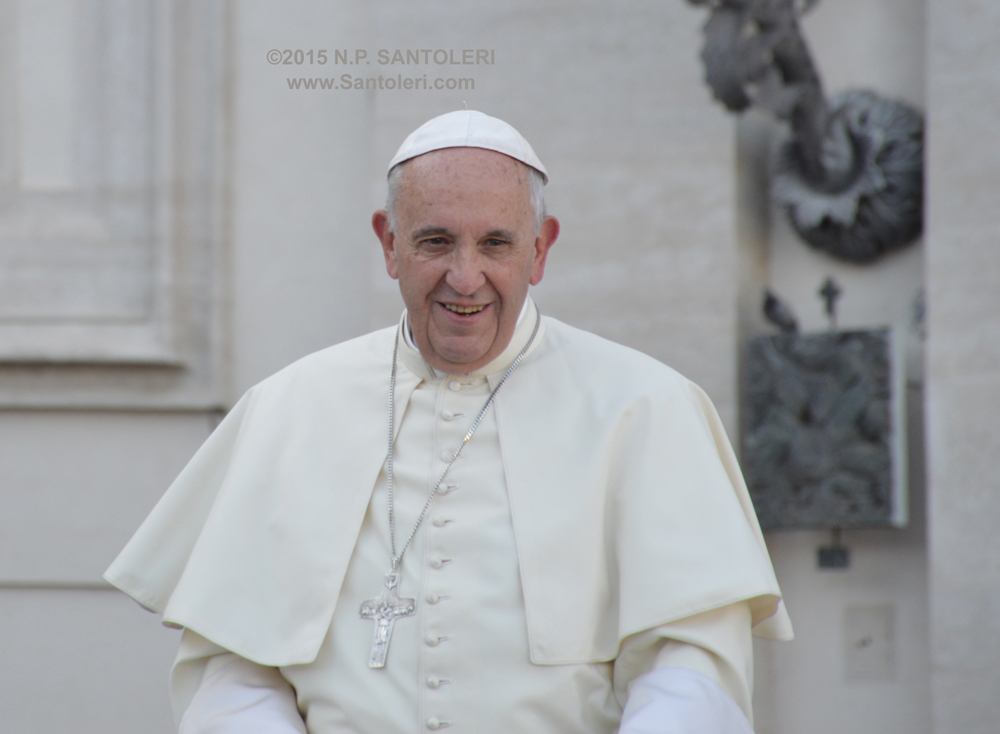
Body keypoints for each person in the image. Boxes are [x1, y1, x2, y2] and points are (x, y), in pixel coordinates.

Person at [106, 110, 792, 734]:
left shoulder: (647, 411)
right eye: (436, 242)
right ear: (389, 243)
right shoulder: (289, 409)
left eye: (496, 244)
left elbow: (691, 674)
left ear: (541, 249)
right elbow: (233, 672)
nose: (465, 278)